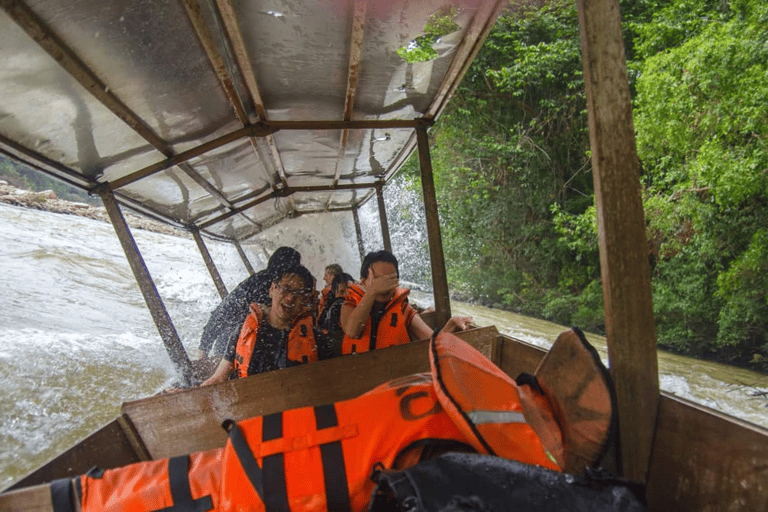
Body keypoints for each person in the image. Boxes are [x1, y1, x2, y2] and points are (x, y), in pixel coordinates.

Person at [202, 265, 333, 385]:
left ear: (305, 300)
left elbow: (329, 384)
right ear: (272, 289)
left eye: (298, 293)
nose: (290, 298)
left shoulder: (317, 340)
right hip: (250, 407)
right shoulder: (243, 331)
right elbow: (219, 378)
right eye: (286, 289)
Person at [340, 250, 471, 355]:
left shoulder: (403, 309)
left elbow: (434, 342)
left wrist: (452, 324)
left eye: (391, 279)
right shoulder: (349, 305)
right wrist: (372, 291)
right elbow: (352, 331)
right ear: (363, 282)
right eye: (378, 280)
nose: (384, 286)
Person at [196, 246, 301, 359]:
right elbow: (221, 314)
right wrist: (204, 350)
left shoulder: (282, 288)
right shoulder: (257, 284)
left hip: (252, 343)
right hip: (231, 345)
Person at [318, 272, 355, 341]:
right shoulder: (336, 306)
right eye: (342, 292)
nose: (346, 296)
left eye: (350, 292)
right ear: (334, 293)